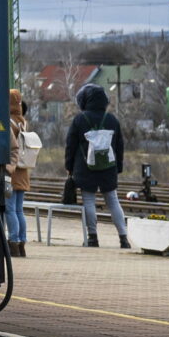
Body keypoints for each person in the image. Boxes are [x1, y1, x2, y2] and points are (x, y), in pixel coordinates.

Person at [64, 83, 132, 249]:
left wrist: (69, 166)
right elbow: (119, 145)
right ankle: (124, 238)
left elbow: (70, 145)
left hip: (85, 167)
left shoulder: (80, 119)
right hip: (108, 167)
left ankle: (92, 237)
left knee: (88, 200)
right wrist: (119, 166)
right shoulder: (112, 120)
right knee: (113, 201)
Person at [3, 89, 36, 257]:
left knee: (10, 210)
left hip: (13, 171)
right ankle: (22, 242)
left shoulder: (8, 121)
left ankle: (13, 242)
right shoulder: (23, 121)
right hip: (24, 171)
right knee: (19, 210)